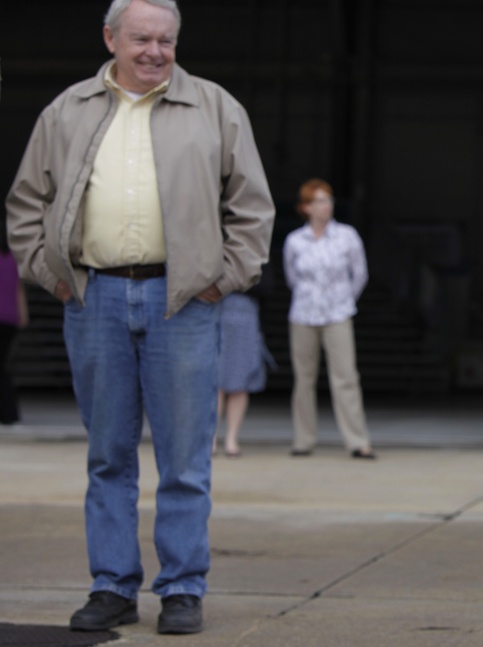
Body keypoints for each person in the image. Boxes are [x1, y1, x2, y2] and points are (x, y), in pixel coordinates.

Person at [5, 0, 274, 635]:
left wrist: (226, 278)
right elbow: (25, 203)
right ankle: (112, 586)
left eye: (166, 40)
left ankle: (181, 587)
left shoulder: (214, 107)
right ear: (110, 38)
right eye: (141, 39)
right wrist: (53, 275)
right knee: (108, 456)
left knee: (185, 459)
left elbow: (253, 208)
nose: (155, 51)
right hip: (93, 297)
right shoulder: (66, 111)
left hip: (182, 302)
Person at [283, 178, 376, 460]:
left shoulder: (347, 236)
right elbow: (292, 277)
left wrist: (344, 300)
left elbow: (359, 274)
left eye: (329, 200)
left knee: (345, 377)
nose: (327, 206)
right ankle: (303, 439)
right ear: (306, 207)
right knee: (304, 379)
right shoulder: (295, 241)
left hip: (338, 313)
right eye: (320, 201)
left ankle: (357, 441)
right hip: (303, 314)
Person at [215, 265, 276, 458]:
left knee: (241, 382)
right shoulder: (217, 246)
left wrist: (230, 283)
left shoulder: (259, 255)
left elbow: (265, 287)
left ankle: (232, 438)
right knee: (215, 382)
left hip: (247, 319)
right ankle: (210, 439)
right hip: (217, 315)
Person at [0, 233, 29, 425]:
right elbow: (19, 289)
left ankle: (9, 414)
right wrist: (24, 315)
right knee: (3, 366)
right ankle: (9, 414)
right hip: (10, 319)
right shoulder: (12, 260)